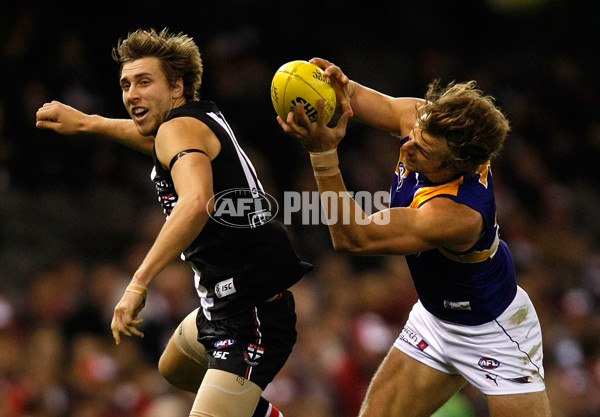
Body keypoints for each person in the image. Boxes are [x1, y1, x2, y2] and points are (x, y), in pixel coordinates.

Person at [36, 28, 312, 417]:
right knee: (175, 367)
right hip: (220, 307)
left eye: (145, 82)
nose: (132, 94)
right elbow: (154, 141)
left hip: (252, 319)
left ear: (177, 87)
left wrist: (138, 283)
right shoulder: (197, 120)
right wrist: (88, 123)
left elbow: (196, 202)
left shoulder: (176, 129)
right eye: (126, 84)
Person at [277, 57, 551, 417]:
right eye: (415, 137)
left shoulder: (458, 215)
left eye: (422, 151)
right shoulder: (425, 121)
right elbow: (357, 98)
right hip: (436, 320)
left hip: (494, 331)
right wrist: (335, 88)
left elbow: (353, 238)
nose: (406, 148)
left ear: (458, 166)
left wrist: (322, 154)